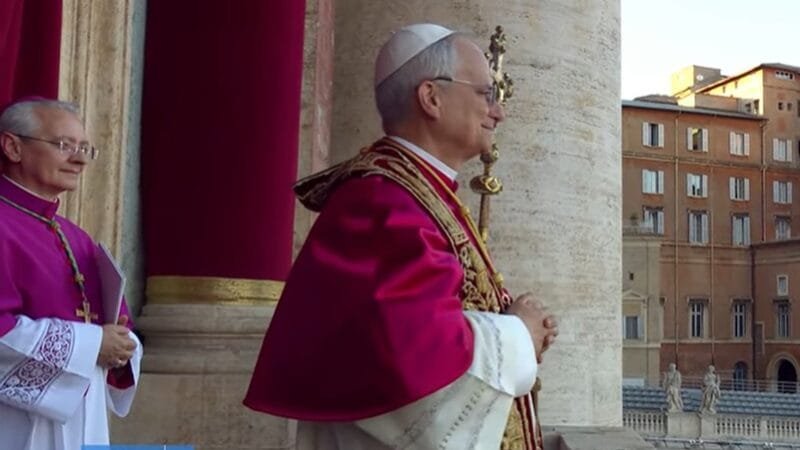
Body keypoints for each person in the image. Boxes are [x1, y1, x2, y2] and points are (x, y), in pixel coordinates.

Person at [244, 23, 558, 450]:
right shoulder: (386, 203)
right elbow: (412, 362)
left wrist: (516, 328)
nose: (498, 112)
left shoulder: (418, 190)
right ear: (431, 97)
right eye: (486, 94)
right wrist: (519, 336)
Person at [0, 98, 143, 450]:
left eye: (85, 149)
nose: (80, 160)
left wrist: (123, 347)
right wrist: (93, 344)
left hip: (84, 414)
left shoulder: (76, 237)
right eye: (64, 145)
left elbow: (116, 326)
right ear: (13, 147)